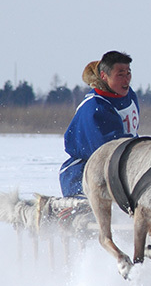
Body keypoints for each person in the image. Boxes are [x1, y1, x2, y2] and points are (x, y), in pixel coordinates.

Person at [59, 51, 140, 197]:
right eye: (120, 75)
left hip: (120, 170)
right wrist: (141, 146)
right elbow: (108, 150)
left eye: (128, 73)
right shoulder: (95, 108)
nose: (126, 80)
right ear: (104, 76)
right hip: (84, 176)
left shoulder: (129, 96)